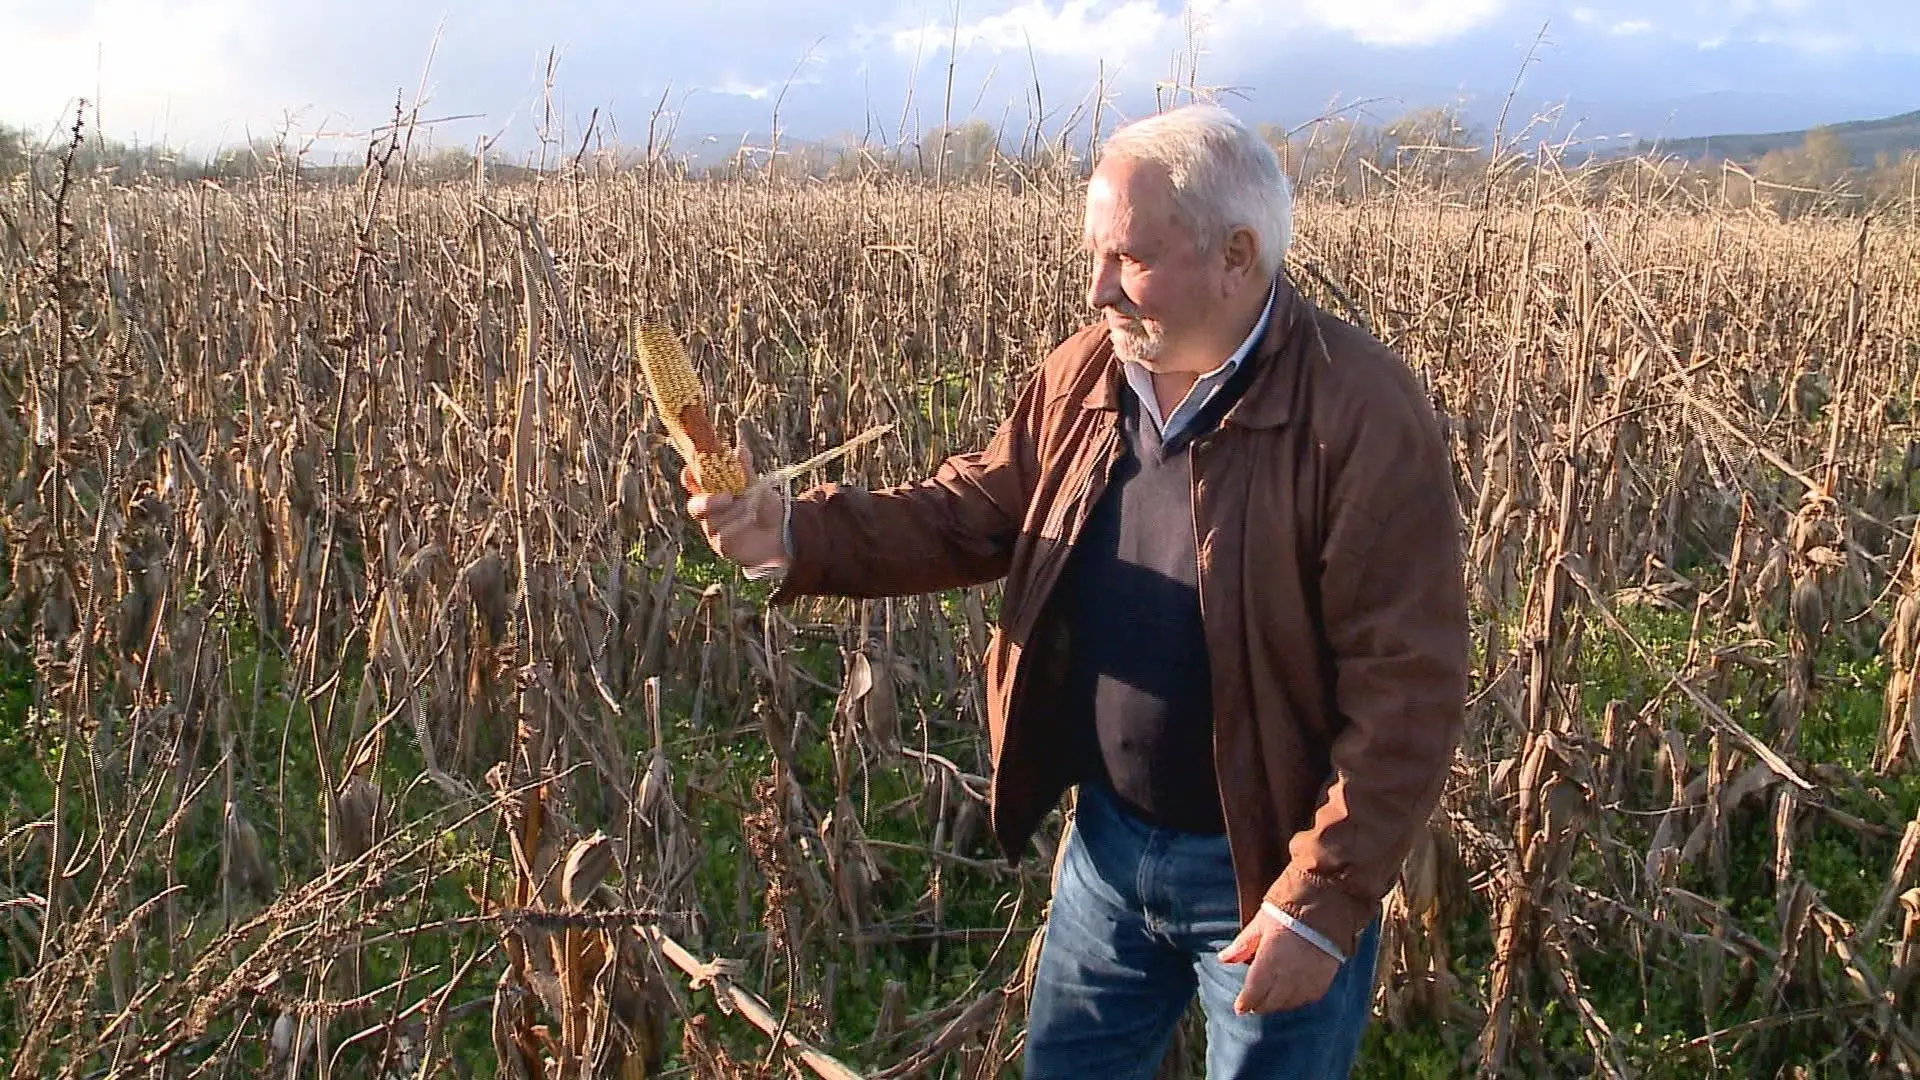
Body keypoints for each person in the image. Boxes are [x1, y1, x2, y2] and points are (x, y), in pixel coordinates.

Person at [685, 103, 1468, 1080]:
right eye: (1095, 254)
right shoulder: (1093, 371)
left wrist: (1325, 897)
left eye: (1128, 259)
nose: (1097, 289)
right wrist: (796, 534)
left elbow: (1407, 685)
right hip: (1106, 853)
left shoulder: (1358, 414)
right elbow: (972, 511)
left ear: (1237, 255)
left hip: (1265, 874)